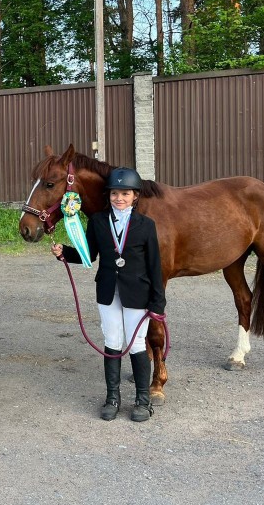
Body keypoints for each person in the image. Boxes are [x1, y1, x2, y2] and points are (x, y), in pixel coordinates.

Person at [50, 167, 165, 422]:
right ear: (109, 195)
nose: (119, 198)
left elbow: (155, 266)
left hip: (137, 293)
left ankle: (142, 400)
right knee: (112, 341)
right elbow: (89, 254)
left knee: (135, 344)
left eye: (125, 194)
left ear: (135, 196)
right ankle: (112, 397)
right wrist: (64, 253)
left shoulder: (146, 226)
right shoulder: (98, 222)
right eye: (115, 193)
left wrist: (158, 302)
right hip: (108, 291)